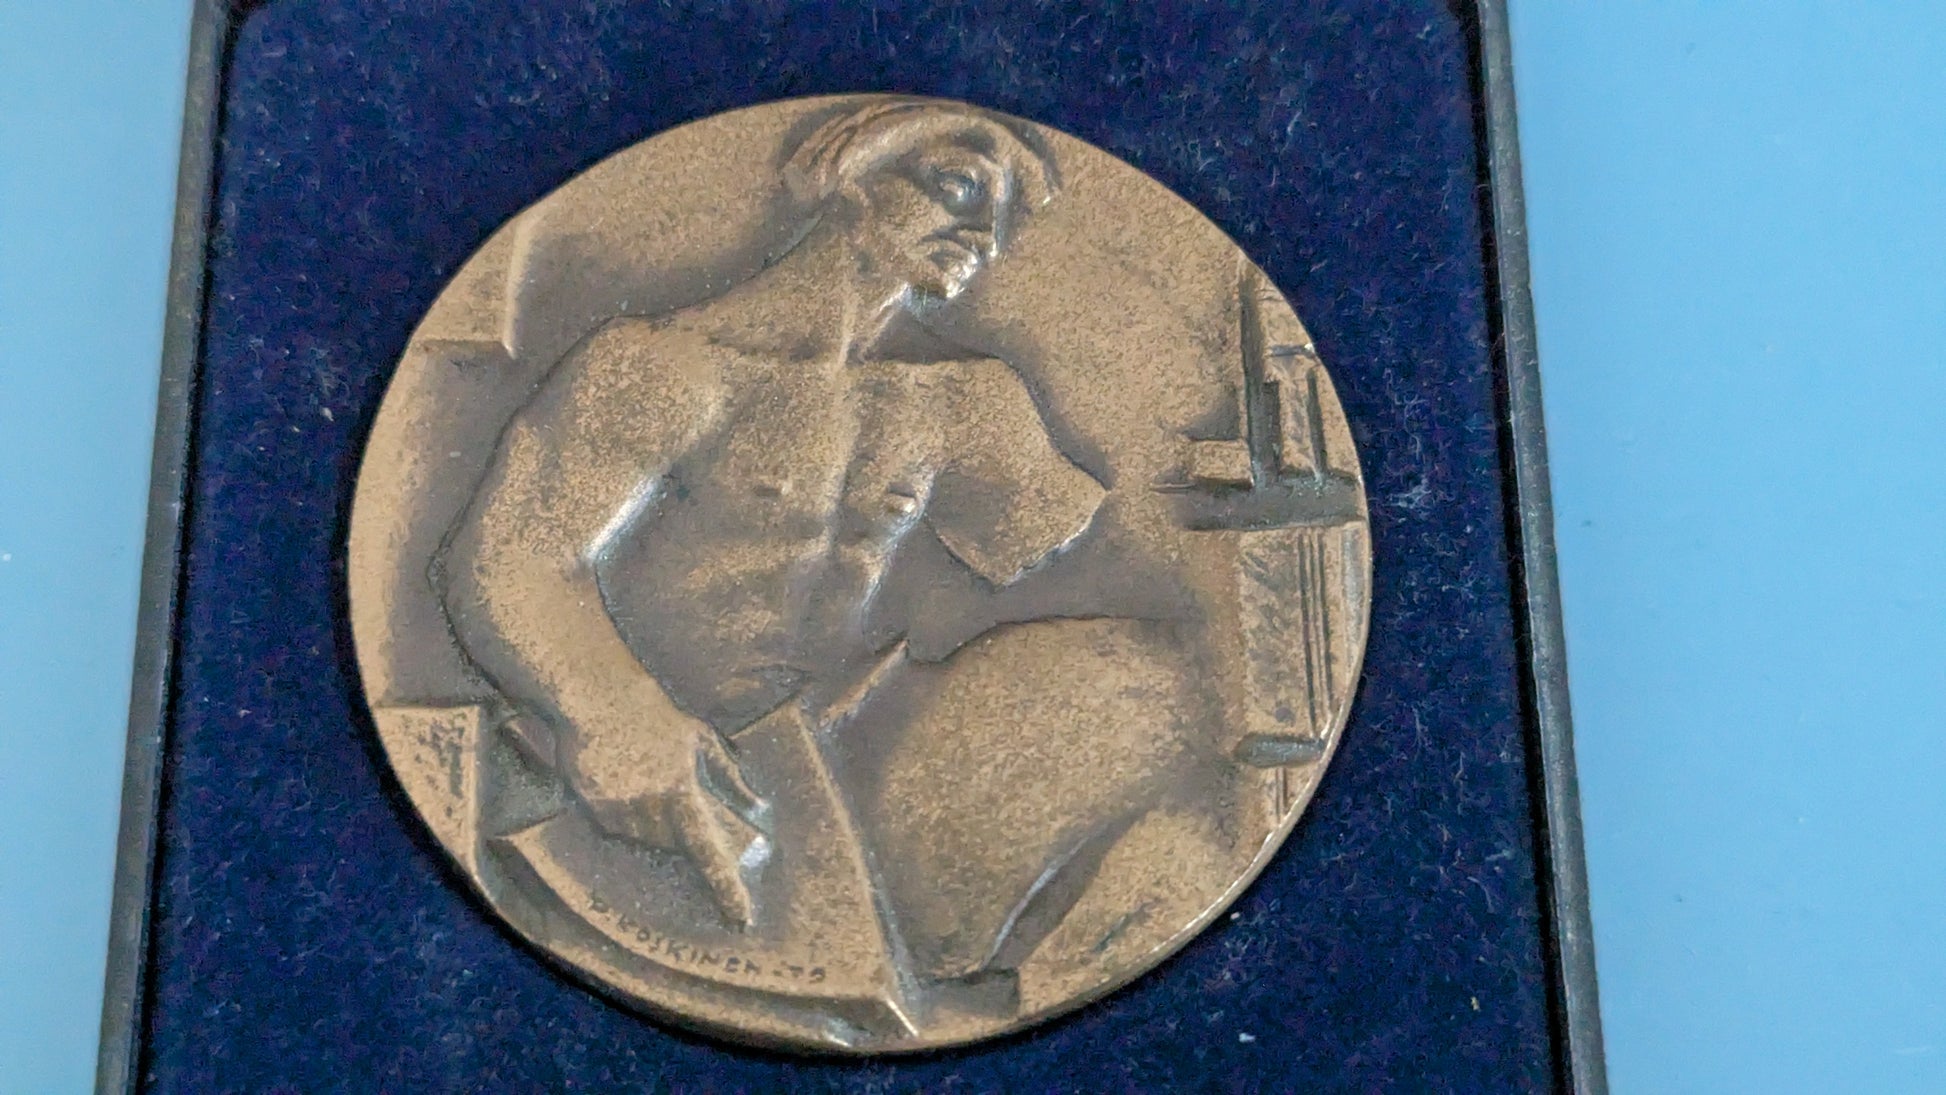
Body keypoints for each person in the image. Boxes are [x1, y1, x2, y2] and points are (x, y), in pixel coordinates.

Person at [436, 101, 1107, 939]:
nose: (986, 233)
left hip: (840, 766)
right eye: (959, 187)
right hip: (645, 781)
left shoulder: (966, 401)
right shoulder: (659, 369)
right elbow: (514, 557)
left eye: (1002, 215)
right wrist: (606, 710)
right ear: (849, 177)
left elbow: (1092, 575)